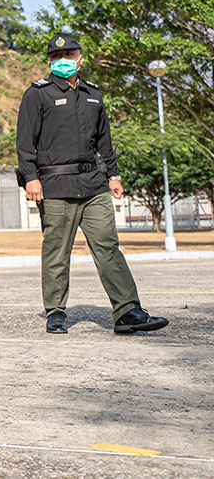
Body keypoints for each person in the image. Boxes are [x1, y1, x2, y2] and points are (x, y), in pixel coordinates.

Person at [16, 32, 170, 335]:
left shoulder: (93, 94)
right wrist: (30, 178)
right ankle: (56, 312)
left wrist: (113, 175)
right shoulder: (37, 94)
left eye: (69, 55)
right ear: (49, 61)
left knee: (109, 247)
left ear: (80, 58)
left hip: (93, 185)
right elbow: (24, 142)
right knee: (57, 251)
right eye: (57, 57)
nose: (63, 61)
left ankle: (127, 312)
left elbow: (104, 141)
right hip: (55, 185)